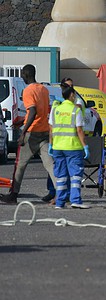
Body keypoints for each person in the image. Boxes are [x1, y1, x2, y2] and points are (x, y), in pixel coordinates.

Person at [0, 65, 56, 204]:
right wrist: (21, 121)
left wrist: (23, 132)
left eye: (23, 75)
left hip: (31, 134)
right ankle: (61, 192)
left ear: (25, 74)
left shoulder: (28, 90)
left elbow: (33, 111)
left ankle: (13, 195)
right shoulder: (43, 89)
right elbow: (42, 111)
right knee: (50, 165)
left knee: (20, 165)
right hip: (44, 131)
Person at [48, 84, 90, 209]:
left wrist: (51, 144)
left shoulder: (55, 110)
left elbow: (51, 129)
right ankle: (75, 200)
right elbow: (79, 131)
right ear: (71, 95)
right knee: (75, 175)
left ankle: (60, 202)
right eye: (75, 95)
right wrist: (85, 146)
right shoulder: (75, 110)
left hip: (57, 147)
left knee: (61, 176)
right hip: (73, 147)